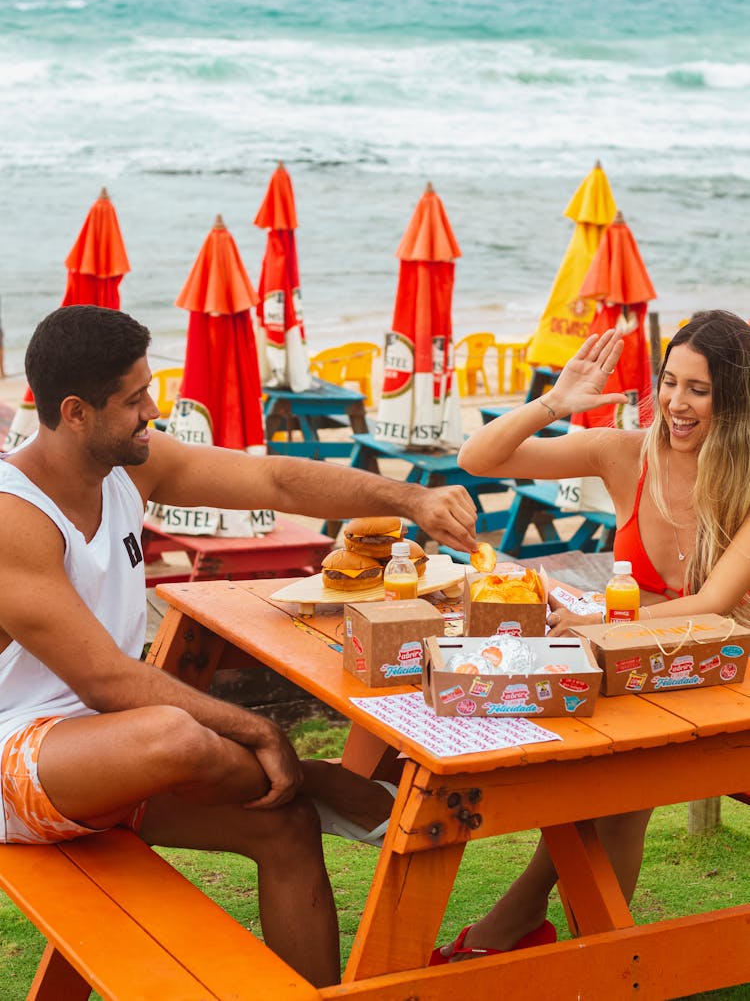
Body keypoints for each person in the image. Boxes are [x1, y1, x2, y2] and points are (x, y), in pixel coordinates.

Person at [0, 304, 478, 988]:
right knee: (176, 735)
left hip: (110, 752)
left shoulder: (129, 466)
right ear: (75, 412)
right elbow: (108, 679)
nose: (151, 410)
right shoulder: (14, 516)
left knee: (285, 825)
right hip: (19, 759)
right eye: (134, 399)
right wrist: (261, 731)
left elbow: (275, 481)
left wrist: (408, 497)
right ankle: (323, 777)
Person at [431, 308, 750, 962]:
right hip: (646, 662)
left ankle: (537, 938)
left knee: (621, 781)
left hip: (729, 665)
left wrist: (606, 620)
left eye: (698, 388)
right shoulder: (626, 451)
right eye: (668, 382)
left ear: (734, 397)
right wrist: (554, 400)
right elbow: (477, 457)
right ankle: (582, 952)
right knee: (612, 780)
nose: (676, 403)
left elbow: (715, 603)